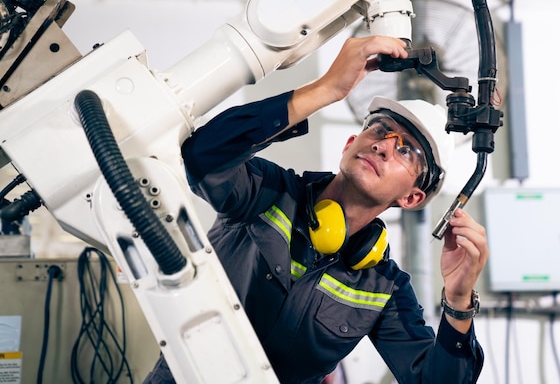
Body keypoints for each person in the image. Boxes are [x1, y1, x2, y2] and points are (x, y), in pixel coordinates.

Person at [144, 35, 488, 384]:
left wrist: (458, 301)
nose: (384, 145)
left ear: (412, 198)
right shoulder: (267, 191)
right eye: (381, 130)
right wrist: (324, 90)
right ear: (350, 145)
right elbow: (202, 157)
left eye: (407, 151)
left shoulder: (384, 288)